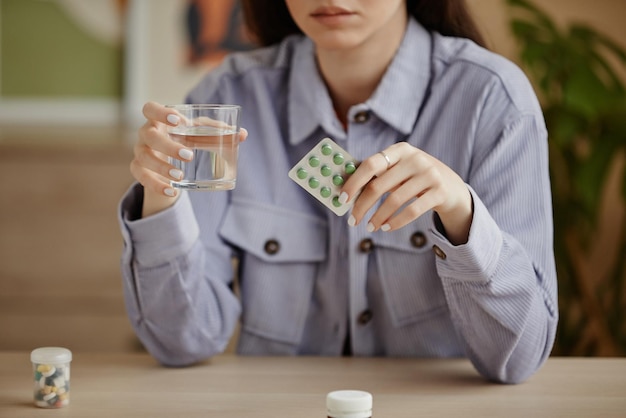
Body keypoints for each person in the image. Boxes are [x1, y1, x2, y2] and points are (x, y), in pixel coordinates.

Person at [118, 0, 558, 384]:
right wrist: (161, 194)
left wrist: (462, 214)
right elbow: (183, 341)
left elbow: (517, 359)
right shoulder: (228, 95)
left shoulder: (494, 101)